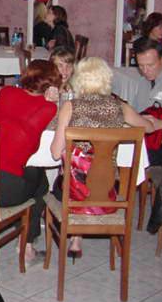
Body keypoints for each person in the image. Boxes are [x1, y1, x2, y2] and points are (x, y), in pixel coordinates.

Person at [50, 57, 154, 258]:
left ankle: (75, 235)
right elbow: (147, 128)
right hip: (108, 194)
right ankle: (79, 235)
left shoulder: (70, 107)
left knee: (58, 183)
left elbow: (55, 153)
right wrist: (156, 122)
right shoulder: (120, 107)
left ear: (79, 79)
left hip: (74, 195)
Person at [0, 60, 62, 261]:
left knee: (34, 176)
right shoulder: (48, 108)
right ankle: (27, 246)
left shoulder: (6, 92)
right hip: (4, 190)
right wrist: (54, 102)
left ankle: (23, 235)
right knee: (41, 183)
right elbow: (55, 132)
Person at [132, 38, 162, 165]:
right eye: (141, 66)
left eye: (150, 65)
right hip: (145, 141)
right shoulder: (142, 82)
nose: (145, 70)